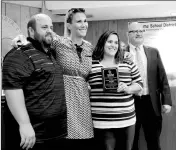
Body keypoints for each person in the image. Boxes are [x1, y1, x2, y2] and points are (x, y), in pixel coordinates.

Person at [2, 14, 67, 150]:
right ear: (31, 31)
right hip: (34, 136)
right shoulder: (19, 55)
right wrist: (24, 124)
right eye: (44, 27)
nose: (49, 30)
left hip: (56, 132)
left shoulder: (52, 53)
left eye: (51, 27)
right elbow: (12, 90)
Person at [87, 30, 143, 150]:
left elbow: (139, 84)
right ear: (102, 43)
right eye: (110, 41)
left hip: (126, 120)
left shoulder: (128, 63)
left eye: (116, 42)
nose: (113, 45)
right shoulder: (91, 64)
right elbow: (84, 83)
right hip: (101, 121)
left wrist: (128, 88)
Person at [126, 22, 172, 150]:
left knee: (153, 141)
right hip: (130, 103)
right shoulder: (120, 53)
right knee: (131, 142)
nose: (139, 33)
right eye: (134, 31)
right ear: (127, 34)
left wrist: (166, 101)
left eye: (141, 31)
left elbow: (162, 77)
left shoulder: (153, 52)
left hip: (151, 103)